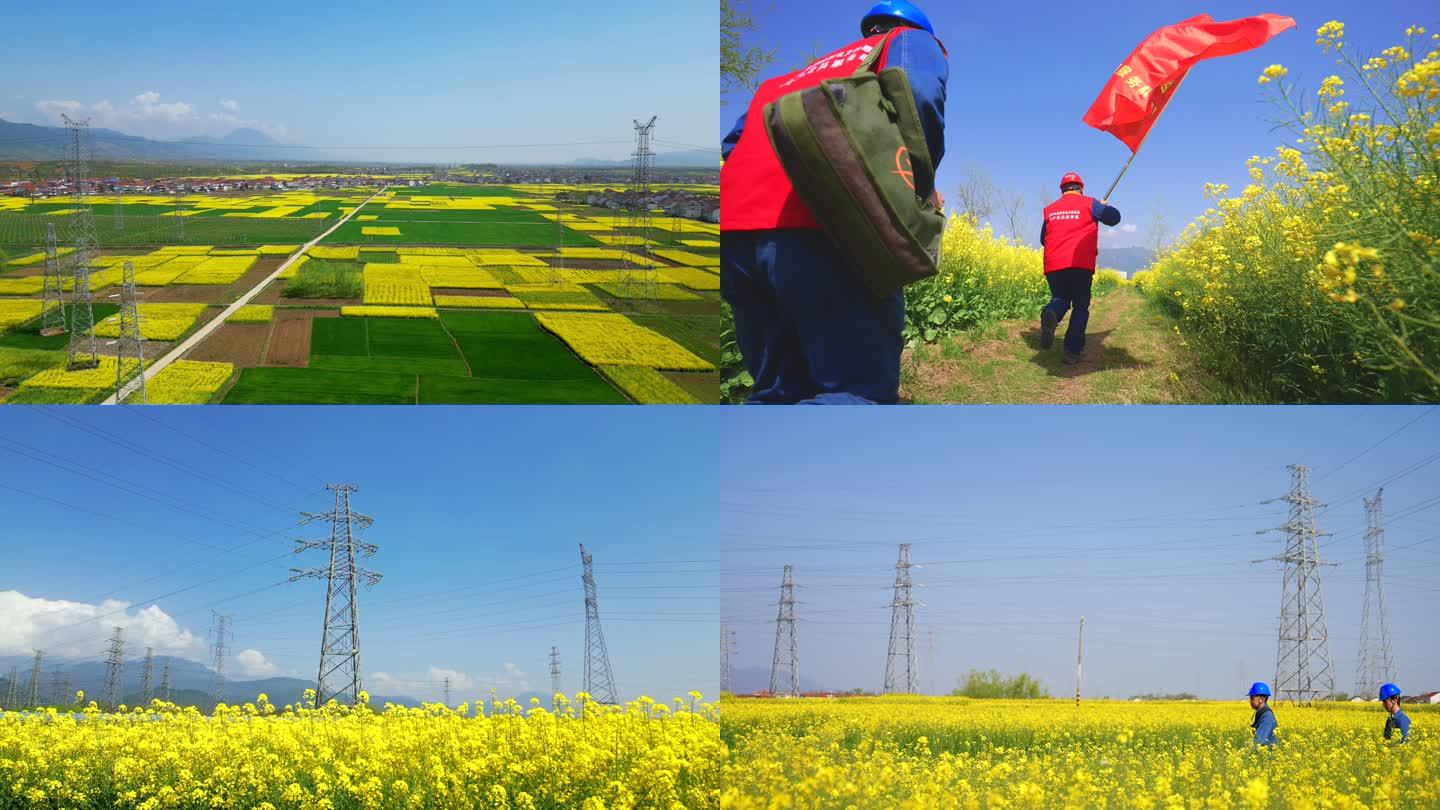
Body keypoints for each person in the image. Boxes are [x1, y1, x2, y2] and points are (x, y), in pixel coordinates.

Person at [720, 1, 949, 404]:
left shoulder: (788, 78)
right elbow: (920, 95)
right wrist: (918, 184)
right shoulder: (910, 41)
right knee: (854, 391)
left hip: (736, 235)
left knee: (775, 390)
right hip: (831, 228)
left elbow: (731, 145)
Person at [1038, 172, 1121, 365]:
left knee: (1060, 299)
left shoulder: (1050, 209)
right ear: (1081, 188)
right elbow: (1114, 218)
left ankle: (1051, 313)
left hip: (1054, 264)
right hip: (1080, 264)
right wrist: (1103, 207)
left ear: (1062, 189)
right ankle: (1071, 352)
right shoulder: (1090, 204)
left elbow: (1044, 239)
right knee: (1080, 306)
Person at [1247, 681, 1277, 748]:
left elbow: (1259, 740)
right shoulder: (1261, 713)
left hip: (1268, 755)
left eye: (1252, 698)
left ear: (1261, 699)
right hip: (1263, 753)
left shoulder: (1267, 716)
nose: (1250, 701)